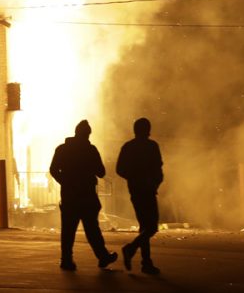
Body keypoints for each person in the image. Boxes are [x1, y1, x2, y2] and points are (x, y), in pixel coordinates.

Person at [49, 120, 118, 271]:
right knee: (92, 229)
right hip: (87, 196)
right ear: (87, 134)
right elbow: (101, 172)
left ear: (76, 133)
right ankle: (102, 256)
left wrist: (65, 182)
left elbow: (53, 169)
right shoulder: (91, 150)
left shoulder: (62, 149)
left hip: (69, 196)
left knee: (68, 230)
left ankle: (66, 260)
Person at [116, 117, 164, 275]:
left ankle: (146, 262)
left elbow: (120, 169)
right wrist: (154, 182)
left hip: (136, 190)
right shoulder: (152, 146)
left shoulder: (128, 147)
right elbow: (158, 169)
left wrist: (133, 178)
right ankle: (132, 250)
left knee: (145, 227)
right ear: (147, 130)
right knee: (151, 227)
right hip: (148, 190)